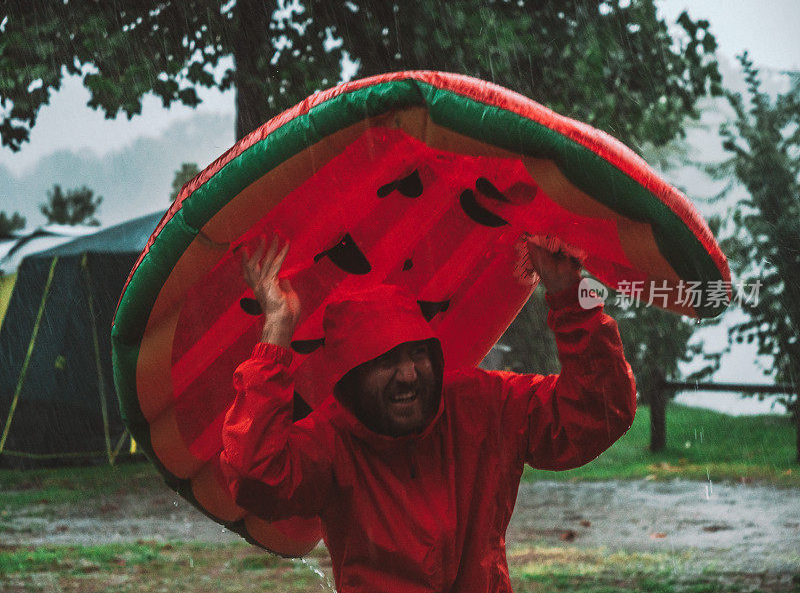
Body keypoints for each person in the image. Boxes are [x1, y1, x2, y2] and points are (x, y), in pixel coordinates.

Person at [220, 235, 636, 592]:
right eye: (384, 360)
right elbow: (258, 478)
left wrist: (570, 297)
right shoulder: (332, 439)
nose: (407, 375)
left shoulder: (482, 403)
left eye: (418, 352)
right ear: (350, 380)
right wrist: (275, 334)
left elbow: (598, 413)